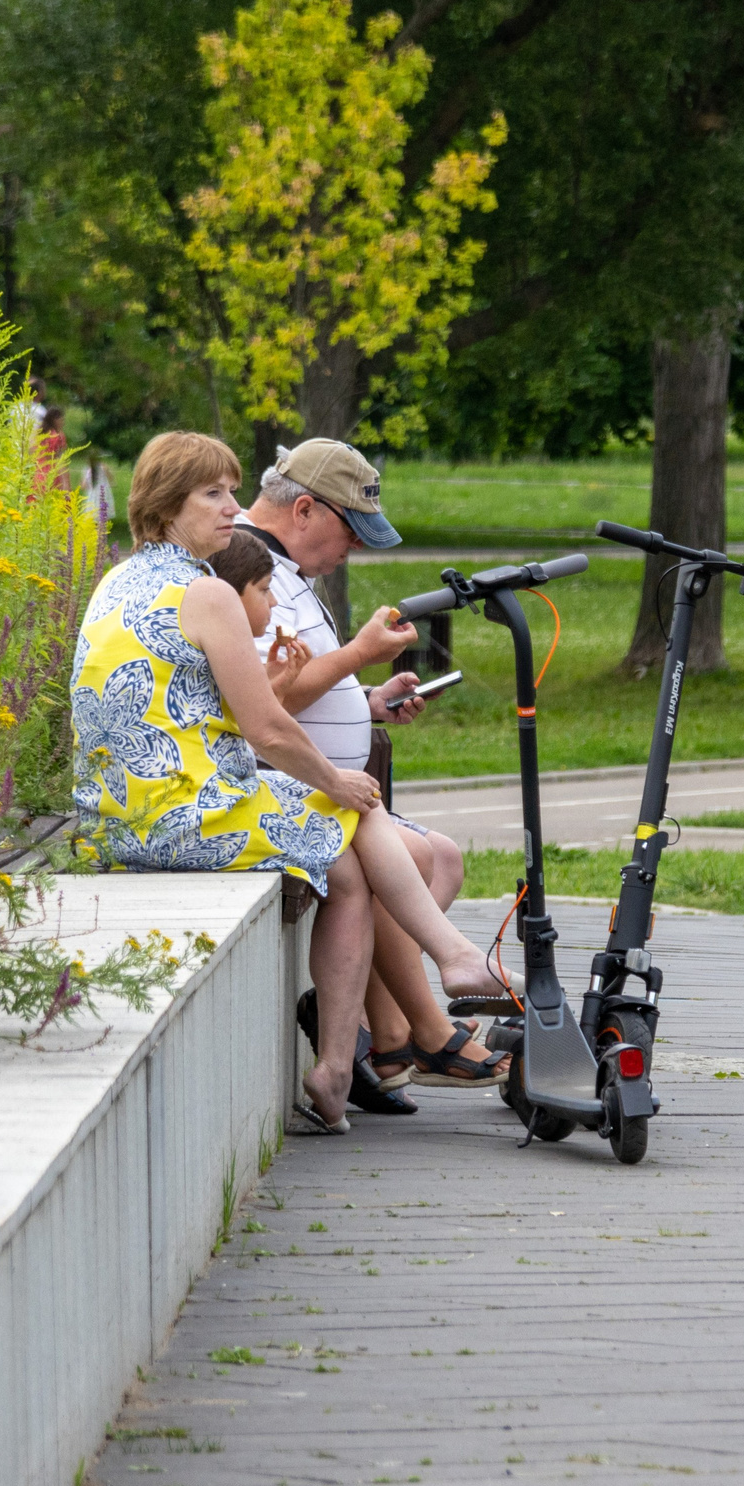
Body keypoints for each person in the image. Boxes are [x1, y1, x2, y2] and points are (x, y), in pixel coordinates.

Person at [69, 431, 515, 1133]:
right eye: (212, 494)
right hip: (181, 815)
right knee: (358, 808)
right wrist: (336, 778)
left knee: (345, 860)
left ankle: (344, 1067)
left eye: (230, 490)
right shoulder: (206, 592)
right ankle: (448, 964)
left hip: (120, 815)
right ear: (166, 504)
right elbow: (267, 729)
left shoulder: (118, 580)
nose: (232, 507)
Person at [235, 438, 503, 1112]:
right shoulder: (248, 569)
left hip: (317, 780)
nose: (350, 551)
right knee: (411, 861)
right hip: (286, 780)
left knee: (436, 857)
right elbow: (268, 702)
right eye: (349, 533)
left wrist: (366, 699)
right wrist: (358, 652)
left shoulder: (282, 568)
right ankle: (407, 1032)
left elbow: (299, 682)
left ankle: (384, 1032)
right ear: (304, 509)